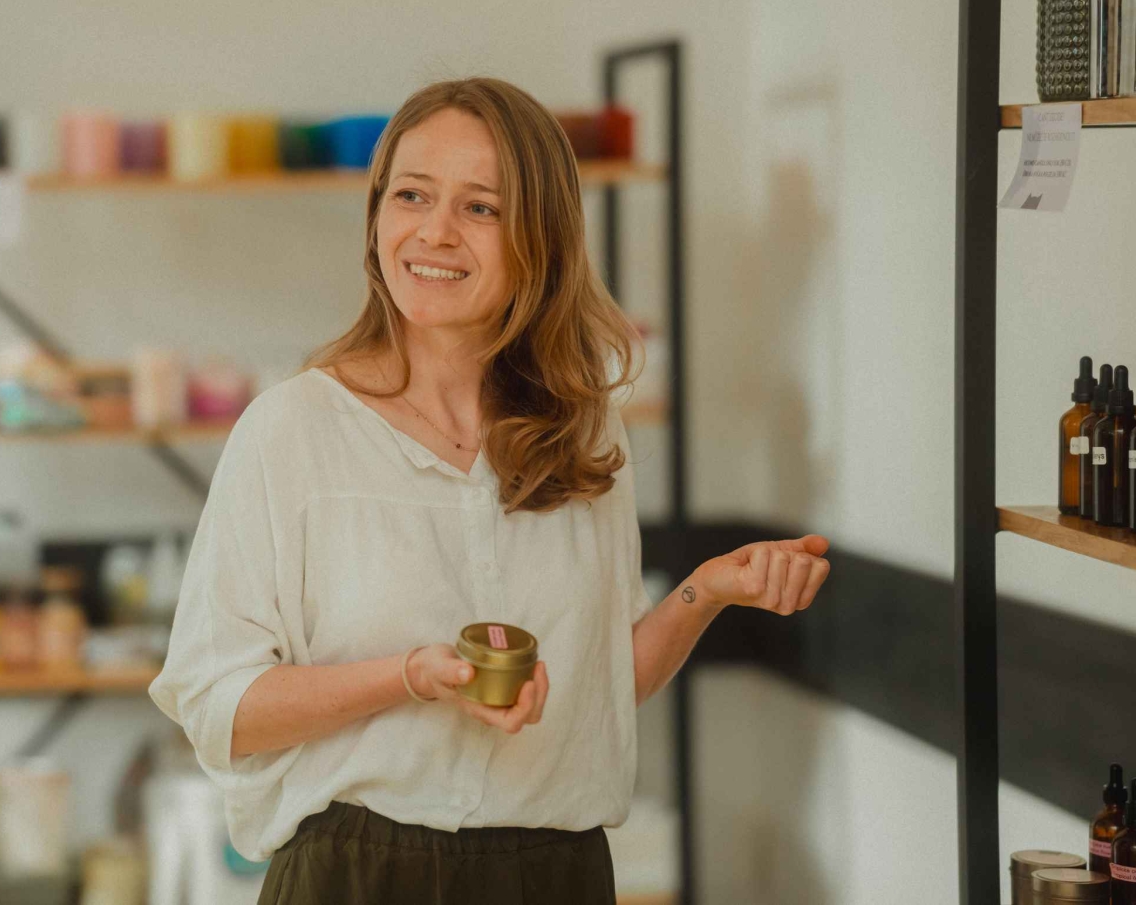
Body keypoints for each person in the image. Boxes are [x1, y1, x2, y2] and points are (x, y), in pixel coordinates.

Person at [152, 76, 832, 903]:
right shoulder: (290, 430)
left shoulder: (583, 431)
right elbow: (220, 706)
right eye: (411, 194)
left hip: (556, 876)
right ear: (375, 218)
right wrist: (408, 674)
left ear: (539, 239)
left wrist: (709, 589)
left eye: (482, 208)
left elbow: (600, 689)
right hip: (356, 877)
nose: (434, 232)